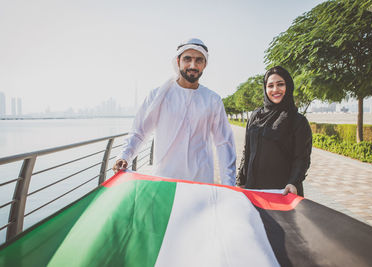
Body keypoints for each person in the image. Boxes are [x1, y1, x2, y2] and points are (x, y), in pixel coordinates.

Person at [113, 38, 236, 186]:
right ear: (178, 62)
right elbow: (139, 132)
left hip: (201, 183)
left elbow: (224, 143)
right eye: (187, 59)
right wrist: (124, 156)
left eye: (199, 60)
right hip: (165, 182)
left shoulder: (212, 99)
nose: (193, 65)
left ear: (204, 65)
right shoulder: (158, 95)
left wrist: (229, 185)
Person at [236, 66, 312, 196]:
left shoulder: (297, 121)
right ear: (265, 89)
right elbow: (247, 151)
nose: (275, 89)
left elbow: (301, 159)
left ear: (288, 86)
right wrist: (241, 180)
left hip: (284, 192)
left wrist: (293, 182)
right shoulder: (255, 116)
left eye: (280, 84)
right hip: (253, 189)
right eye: (270, 86)